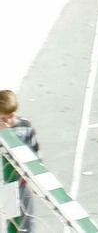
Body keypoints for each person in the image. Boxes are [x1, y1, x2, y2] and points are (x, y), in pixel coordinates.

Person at [1, 91, 40, 233]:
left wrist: (32, 176)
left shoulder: (25, 127)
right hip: (4, 182)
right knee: (10, 218)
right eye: (2, 118)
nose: (7, 122)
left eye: (11, 116)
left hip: (20, 182)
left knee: (26, 221)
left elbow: (35, 152)